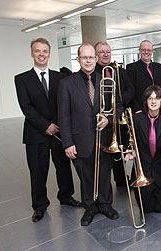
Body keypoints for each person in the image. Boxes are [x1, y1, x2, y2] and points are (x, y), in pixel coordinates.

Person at [15, 38, 81, 222]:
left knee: (63, 167)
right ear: (32, 53)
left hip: (59, 130)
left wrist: (54, 124)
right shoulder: (21, 79)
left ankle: (66, 196)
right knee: (38, 170)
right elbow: (26, 107)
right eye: (37, 51)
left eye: (44, 51)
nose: (41, 54)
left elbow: (63, 104)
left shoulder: (61, 78)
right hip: (36, 133)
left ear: (49, 54)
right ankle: (39, 206)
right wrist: (46, 126)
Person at [58, 43, 121, 226]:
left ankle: (105, 204)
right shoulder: (66, 84)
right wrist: (67, 143)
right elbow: (64, 116)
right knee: (85, 176)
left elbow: (118, 108)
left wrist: (108, 120)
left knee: (104, 174)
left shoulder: (106, 81)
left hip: (104, 138)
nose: (88, 60)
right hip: (79, 140)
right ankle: (90, 207)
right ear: (78, 59)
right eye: (84, 57)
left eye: (91, 57)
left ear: (96, 59)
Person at [124, 86, 161, 213]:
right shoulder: (136, 119)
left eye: (157, 98)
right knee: (146, 210)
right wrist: (130, 151)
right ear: (145, 101)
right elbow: (129, 139)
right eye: (150, 98)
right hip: (143, 170)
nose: (153, 102)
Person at [95, 41, 134, 187]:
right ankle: (103, 185)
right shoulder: (94, 72)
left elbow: (131, 90)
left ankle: (121, 179)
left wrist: (116, 102)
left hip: (119, 116)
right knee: (103, 152)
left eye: (108, 52)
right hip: (101, 118)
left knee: (120, 148)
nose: (105, 55)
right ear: (96, 55)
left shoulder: (120, 71)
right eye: (102, 52)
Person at [126, 40, 161, 115]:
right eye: (143, 50)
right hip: (141, 110)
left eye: (149, 50)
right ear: (139, 51)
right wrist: (136, 108)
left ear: (152, 51)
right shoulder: (131, 68)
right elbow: (130, 90)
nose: (146, 52)